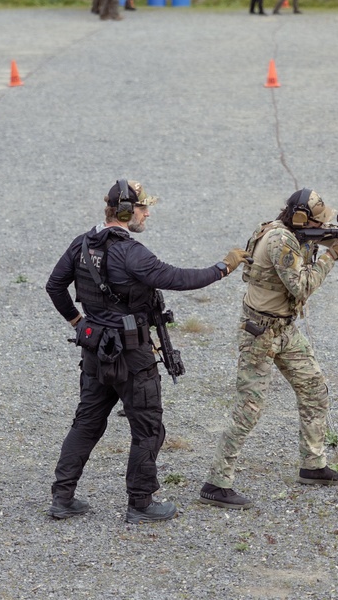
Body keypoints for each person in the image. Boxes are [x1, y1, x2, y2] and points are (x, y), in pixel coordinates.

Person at [45, 180, 248, 524]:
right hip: (132, 355)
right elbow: (178, 278)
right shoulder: (133, 253)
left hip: (95, 350)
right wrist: (223, 268)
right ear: (126, 212)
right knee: (148, 428)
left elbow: (55, 285)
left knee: (87, 423)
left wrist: (79, 322)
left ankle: (62, 497)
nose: (147, 213)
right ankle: (140, 503)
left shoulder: (81, 245)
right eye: (142, 208)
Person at [198, 189, 338, 509]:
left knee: (314, 389)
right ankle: (216, 483)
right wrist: (332, 256)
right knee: (248, 409)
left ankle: (313, 465)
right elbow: (302, 285)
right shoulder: (280, 241)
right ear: (301, 218)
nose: (322, 225)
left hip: (284, 330)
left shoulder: (301, 231)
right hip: (260, 334)